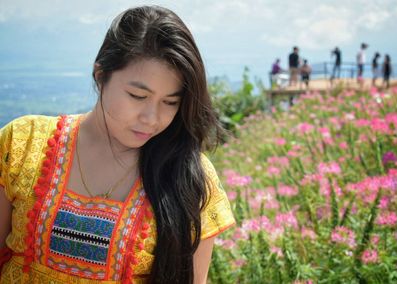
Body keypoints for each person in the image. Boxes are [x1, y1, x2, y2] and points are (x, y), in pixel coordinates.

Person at [0, 6, 235, 283]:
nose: (151, 119)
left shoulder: (189, 176)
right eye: (137, 96)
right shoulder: (24, 142)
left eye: (170, 102)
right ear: (100, 76)